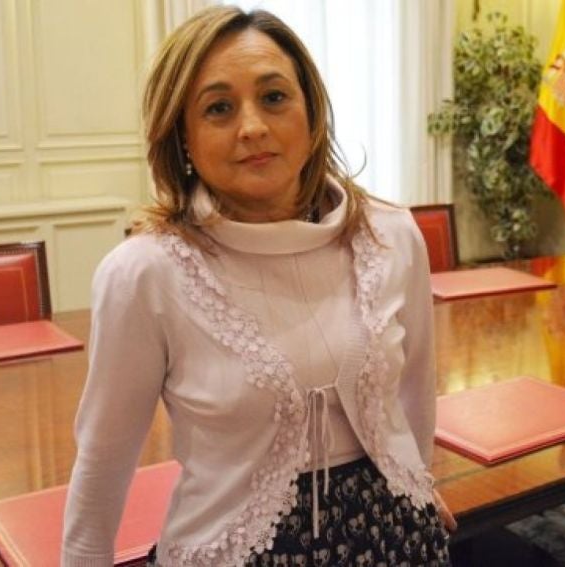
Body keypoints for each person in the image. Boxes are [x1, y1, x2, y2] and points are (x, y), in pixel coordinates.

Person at [61, 5, 455, 567]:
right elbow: (105, 458)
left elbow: (415, 387)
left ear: (311, 115)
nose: (252, 127)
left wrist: (419, 480)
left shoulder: (390, 234)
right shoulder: (144, 274)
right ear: (183, 138)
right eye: (219, 108)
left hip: (398, 542)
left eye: (274, 97)